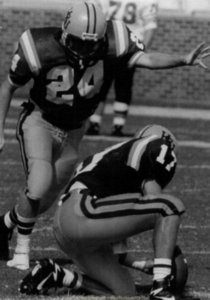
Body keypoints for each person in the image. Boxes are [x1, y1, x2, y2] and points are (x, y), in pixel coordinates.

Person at [0, 1, 209, 271]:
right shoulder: (38, 46)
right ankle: (21, 251)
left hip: (75, 129)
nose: (85, 51)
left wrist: (181, 60)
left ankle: (4, 224)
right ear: (65, 33)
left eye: (91, 45)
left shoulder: (115, 39)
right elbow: (7, 87)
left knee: (44, 200)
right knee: (38, 184)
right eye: (79, 43)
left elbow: (146, 58)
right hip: (40, 120)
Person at [19, 124, 185, 300]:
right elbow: (157, 202)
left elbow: (118, 248)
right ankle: (161, 290)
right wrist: (167, 255)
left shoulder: (116, 165)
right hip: (81, 212)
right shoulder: (156, 146)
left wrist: (142, 264)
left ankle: (57, 275)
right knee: (170, 206)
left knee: (124, 292)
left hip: (72, 226)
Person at [86, 0, 158, 136]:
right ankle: (110, 125)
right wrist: (141, 49)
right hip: (119, 47)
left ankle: (99, 124)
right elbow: (151, 27)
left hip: (112, 47)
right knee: (108, 87)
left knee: (115, 87)